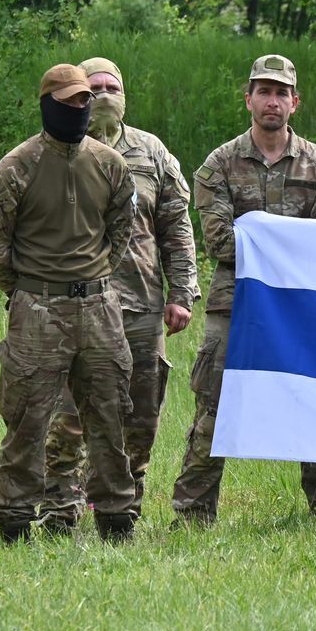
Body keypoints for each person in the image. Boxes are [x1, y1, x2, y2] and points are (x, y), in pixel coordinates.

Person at [171, 54, 316, 525]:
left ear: (295, 102)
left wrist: (261, 239)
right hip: (236, 305)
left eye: (281, 93)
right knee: (214, 404)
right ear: (248, 98)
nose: (272, 101)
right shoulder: (218, 166)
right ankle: (192, 514)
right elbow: (219, 242)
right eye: (263, 91)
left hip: (303, 308)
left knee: (315, 399)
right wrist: (288, 243)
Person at [0, 64, 138, 544]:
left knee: (110, 415)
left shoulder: (110, 164)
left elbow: (120, 232)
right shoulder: (17, 166)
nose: (80, 108)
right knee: (27, 418)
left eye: (85, 99)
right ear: (47, 103)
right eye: (68, 101)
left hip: (99, 309)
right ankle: (15, 520)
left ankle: (115, 517)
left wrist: (94, 278)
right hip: (38, 311)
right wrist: (25, 290)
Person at [39, 57, 200, 530]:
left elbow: (177, 225)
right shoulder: (57, 150)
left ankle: (123, 504)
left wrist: (182, 292)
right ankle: (60, 509)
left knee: (140, 411)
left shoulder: (151, 152)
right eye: (95, 87)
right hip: (75, 306)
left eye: (114, 86)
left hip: (142, 306)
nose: (106, 94)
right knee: (68, 414)